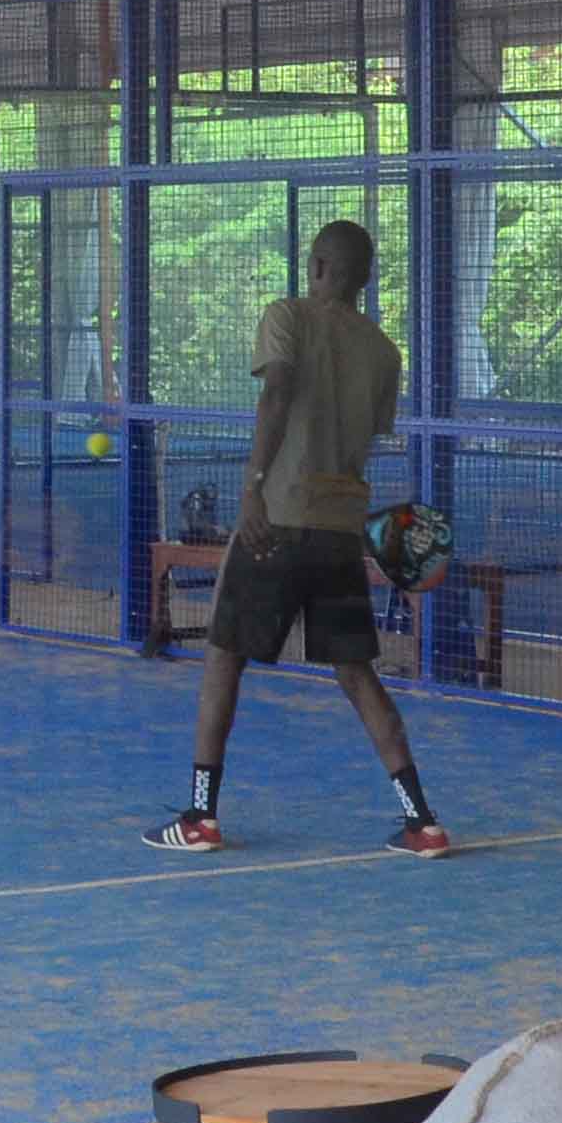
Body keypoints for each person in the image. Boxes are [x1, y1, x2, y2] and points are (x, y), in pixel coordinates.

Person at [152, 216, 449, 857]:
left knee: (222, 659)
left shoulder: (286, 316)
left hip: (278, 522)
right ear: (364, 280)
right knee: (358, 674)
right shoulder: (384, 351)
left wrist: (254, 485)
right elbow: (360, 437)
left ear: (318, 268)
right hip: (341, 532)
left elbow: (279, 395)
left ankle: (201, 817)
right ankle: (422, 822)